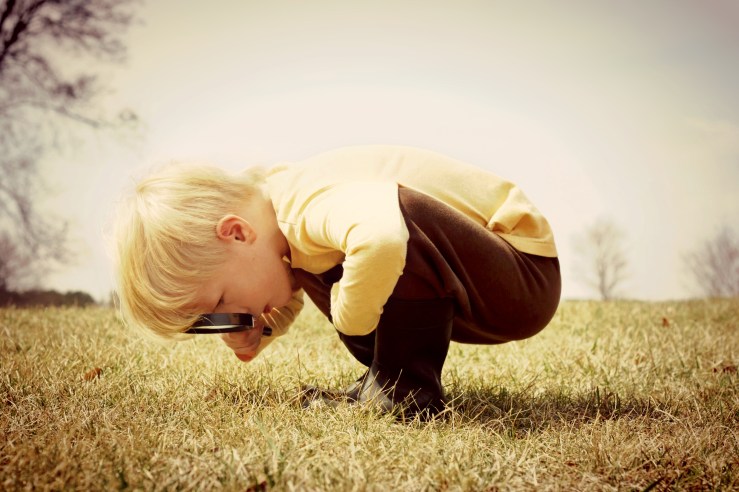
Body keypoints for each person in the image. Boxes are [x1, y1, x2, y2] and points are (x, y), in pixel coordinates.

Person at [114, 145, 561, 418]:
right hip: (485, 277)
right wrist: (258, 328)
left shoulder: (304, 205)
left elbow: (385, 240)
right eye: (217, 320)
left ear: (236, 232)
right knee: (327, 264)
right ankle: (388, 378)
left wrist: (351, 319)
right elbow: (289, 277)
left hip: (520, 272)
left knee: (386, 231)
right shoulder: (279, 220)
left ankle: (404, 392)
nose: (230, 316)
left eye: (223, 301)